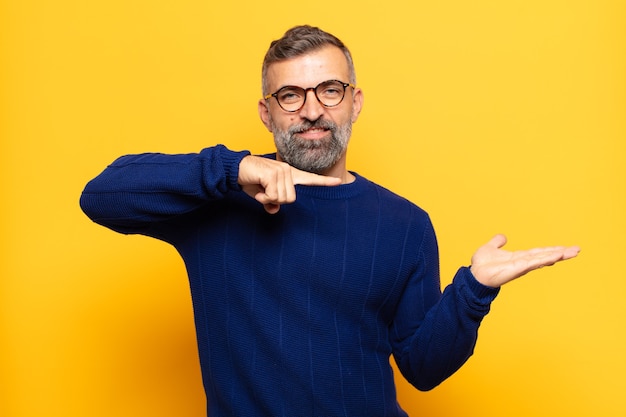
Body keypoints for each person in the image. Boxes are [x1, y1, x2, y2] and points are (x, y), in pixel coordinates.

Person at [80, 25, 579, 416]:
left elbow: (422, 369)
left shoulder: (404, 223)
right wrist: (231, 170)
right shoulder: (218, 199)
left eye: (330, 90)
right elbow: (102, 195)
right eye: (291, 95)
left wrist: (473, 291)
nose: (312, 110)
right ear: (267, 112)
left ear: (355, 102)